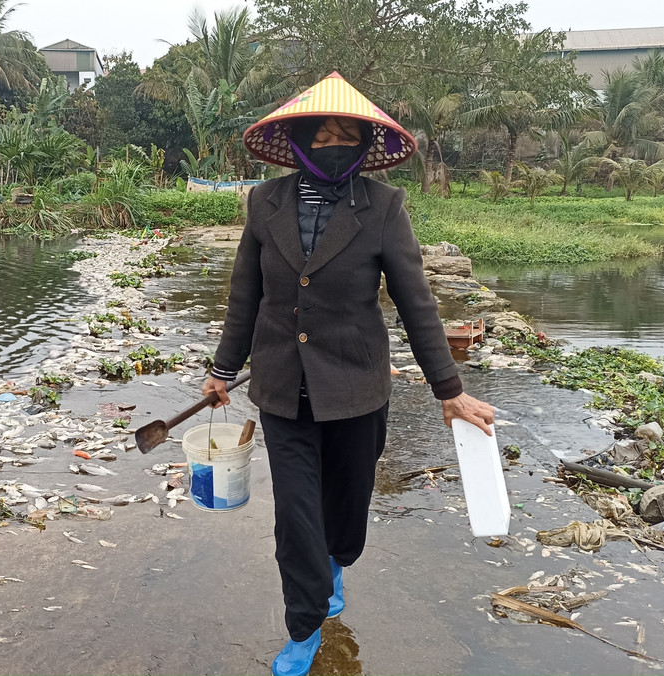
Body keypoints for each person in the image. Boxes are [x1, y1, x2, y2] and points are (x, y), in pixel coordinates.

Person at [201, 72, 496, 676]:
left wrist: (451, 392)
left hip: (357, 387)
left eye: (346, 133)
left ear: (363, 145)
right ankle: (304, 625)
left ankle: (336, 563)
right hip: (283, 388)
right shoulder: (266, 202)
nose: (334, 141)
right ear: (303, 139)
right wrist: (222, 370)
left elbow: (417, 302)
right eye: (323, 131)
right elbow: (244, 295)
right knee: (296, 514)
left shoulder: (384, 208)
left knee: (346, 505)